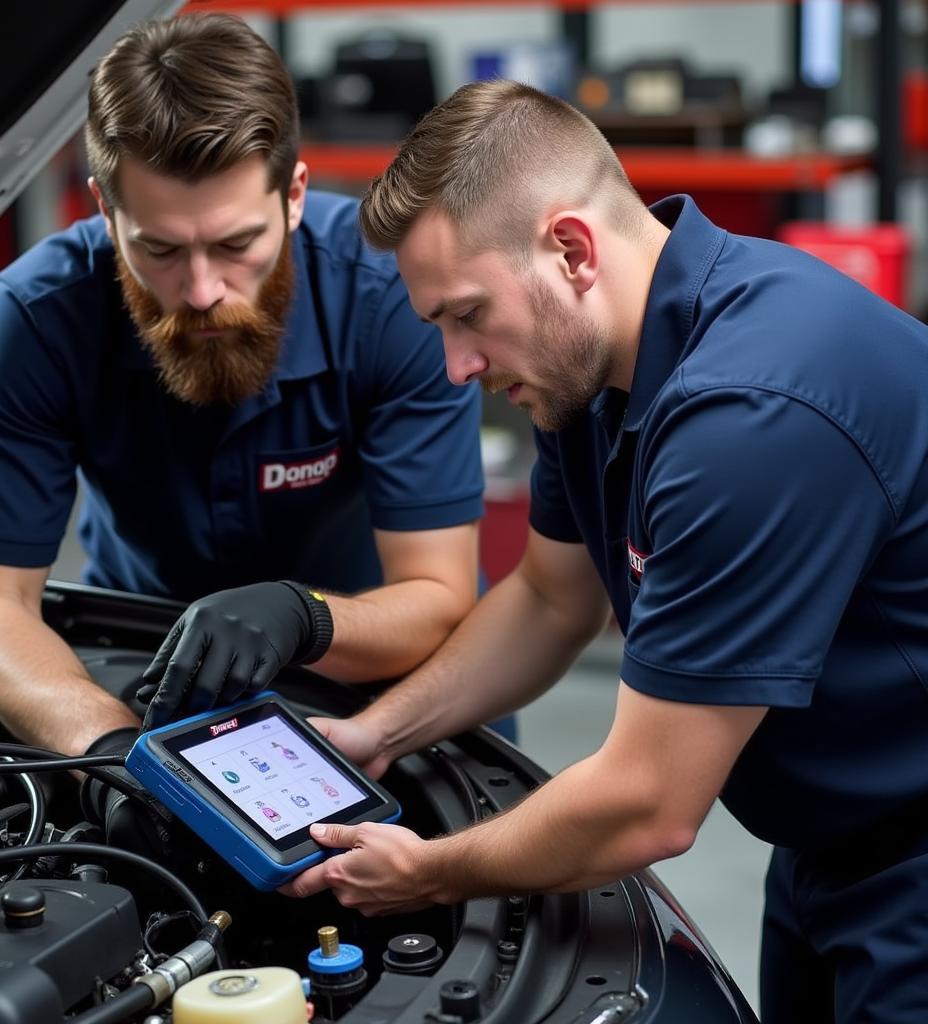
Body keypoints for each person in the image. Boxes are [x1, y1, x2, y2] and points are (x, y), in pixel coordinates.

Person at [282, 79, 928, 1024]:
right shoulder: (589, 367)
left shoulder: (749, 419)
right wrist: (377, 732)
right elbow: (550, 598)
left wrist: (425, 874)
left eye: (465, 315)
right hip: (827, 841)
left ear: (572, 250)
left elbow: (648, 802)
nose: (459, 366)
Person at [0, 13, 485, 760]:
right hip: (143, 674)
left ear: (293, 195)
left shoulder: (391, 301)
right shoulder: (40, 318)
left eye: (237, 245)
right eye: (159, 249)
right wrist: (107, 752)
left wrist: (305, 617)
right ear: (105, 210)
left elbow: (439, 596)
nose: (201, 291)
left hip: (375, 674)